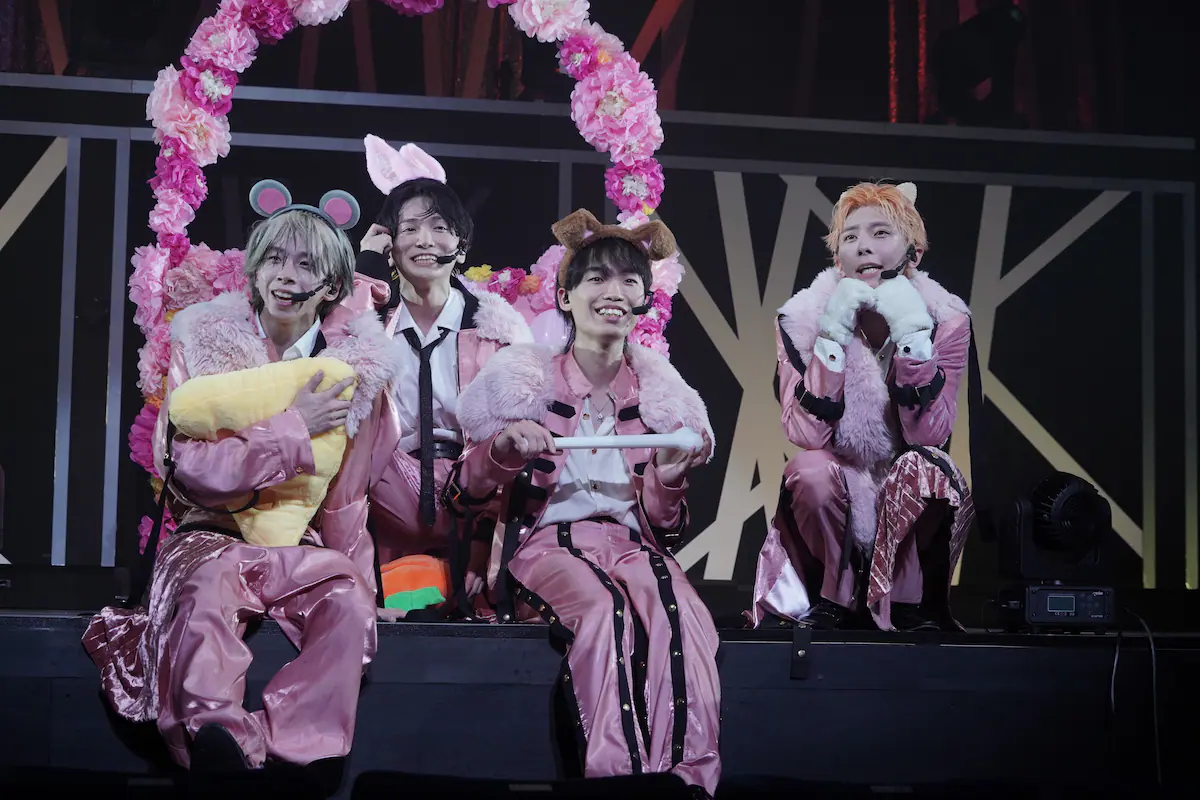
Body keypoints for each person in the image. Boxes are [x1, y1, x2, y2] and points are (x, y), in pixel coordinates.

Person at [83, 184, 399, 782]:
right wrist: (292, 430)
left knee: (347, 602)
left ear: (331, 287)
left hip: (294, 543)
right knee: (208, 593)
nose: (285, 275)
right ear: (254, 268)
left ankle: (286, 748)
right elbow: (188, 468)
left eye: (306, 264)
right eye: (274, 258)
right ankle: (214, 746)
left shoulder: (356, 374)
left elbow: (348, 495)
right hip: (208, 533)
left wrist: (362, 575)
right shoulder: (203, 345)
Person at [448, 209, 721, 798]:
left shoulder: (662, 399)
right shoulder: (520, 381)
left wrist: (668, 482)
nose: (613, 293)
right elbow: (459, 493)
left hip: (630, 547)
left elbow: (663, 531)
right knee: (605, 613)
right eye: (596, 279)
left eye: (629, 281)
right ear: (566, 298)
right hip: (542, 550)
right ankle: (616, 782)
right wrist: (502, 450)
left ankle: (686, 781)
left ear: (645, 300)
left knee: (682, 611)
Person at [749, 181, 976, 633]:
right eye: (850, 237)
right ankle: (833, 598)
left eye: (880, 233)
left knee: (926, 468)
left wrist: (912, 335)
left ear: (914, 250)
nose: (863, 247)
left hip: (905, 479)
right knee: (808, 467)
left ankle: (906, 603)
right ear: (837, 256)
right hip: (840, 480)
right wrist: (831, 337)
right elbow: (807, 434)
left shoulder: (946, 320)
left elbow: (929, 435)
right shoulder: (802, 319)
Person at [342, 134, 531, 618]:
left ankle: (485, 597)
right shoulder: (370, 327)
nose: (425, 240)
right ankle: (355, 599)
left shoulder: (498, 333)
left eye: (440, 228)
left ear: (461, 247)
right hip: (391, 488)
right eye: (409, 229)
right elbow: (328, 365)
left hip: (473, 490)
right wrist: (364, 272)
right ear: (390, 244)